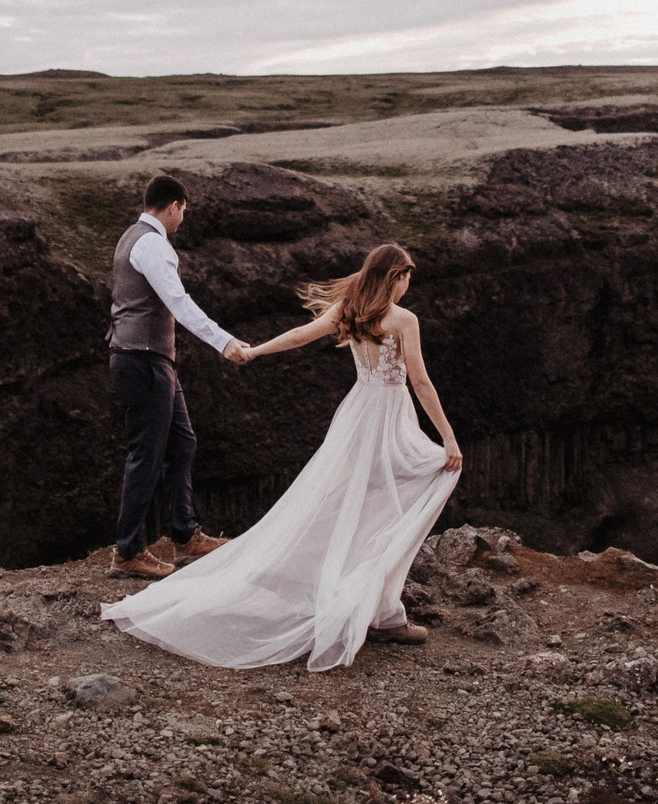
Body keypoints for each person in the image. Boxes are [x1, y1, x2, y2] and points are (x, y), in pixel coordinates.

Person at [101, 241, 463, 671]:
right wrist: (448, 438)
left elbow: (299, 336)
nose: (407, 287)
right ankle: (380, 611)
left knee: (358, 504)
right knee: (400, 497)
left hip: (357, 415)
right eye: (406, 278)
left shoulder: (350, 308)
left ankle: (379, 608)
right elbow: (420, 383)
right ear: (395, 276)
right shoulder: (404, 319)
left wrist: (255, 350)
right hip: (389, 418)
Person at [106, 173, 255, 581]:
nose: (182, 220)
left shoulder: (128, 237)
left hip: (147, 360)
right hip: (144, 362)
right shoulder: (153, 244)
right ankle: (128, 552)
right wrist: (223, 341)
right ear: (173, 206)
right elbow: (179, 302)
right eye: (183, 211)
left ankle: (185, 536)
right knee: (146, 457)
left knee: (182, 443)